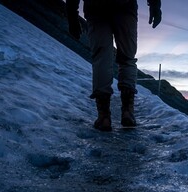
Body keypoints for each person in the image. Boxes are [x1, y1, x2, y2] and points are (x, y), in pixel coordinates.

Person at [66, 0, 162, 131]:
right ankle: (128, 111)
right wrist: (155, 6)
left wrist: (72, 15)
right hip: (125, 9)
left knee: (101, 59)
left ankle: (104, 116)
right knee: (127, 59)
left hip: (95, 9)